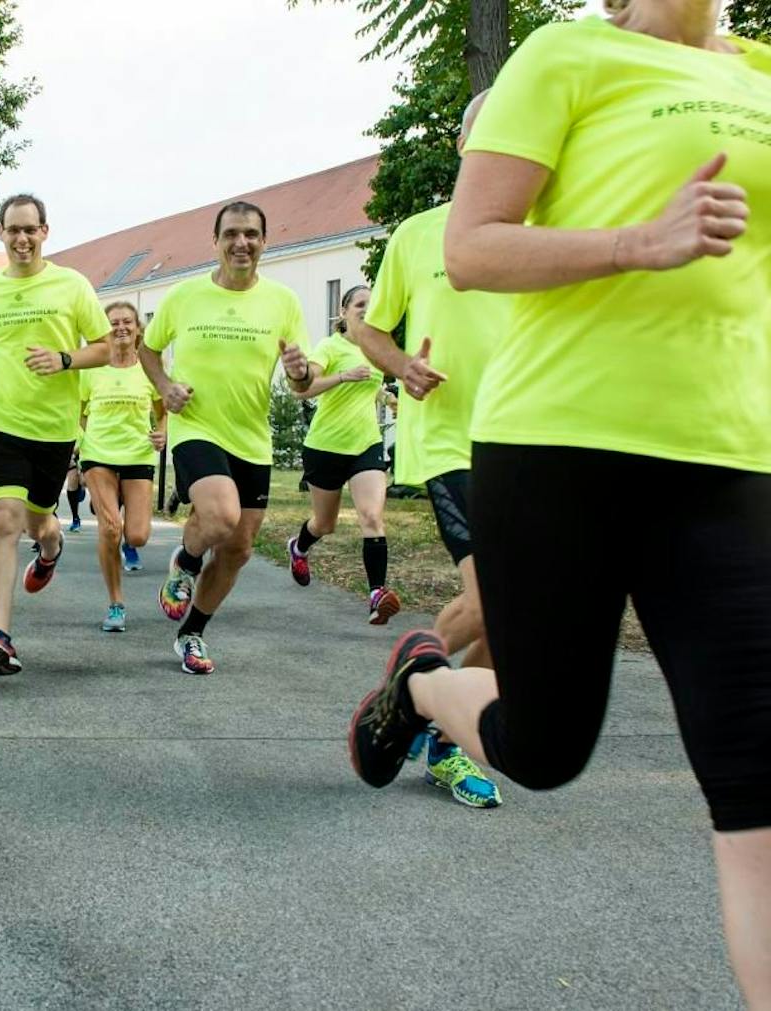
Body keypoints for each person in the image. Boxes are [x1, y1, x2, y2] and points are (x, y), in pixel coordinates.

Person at [346, 4, 771, 1003]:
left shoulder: (759, 71)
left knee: (754, 770)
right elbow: (472, 249)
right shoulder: (566, 52)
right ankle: (419, 684)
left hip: (726, 455)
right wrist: (637, 242)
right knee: (540, 747)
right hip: (557, 448)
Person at [352, 89, 506, 809]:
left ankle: (433, 720)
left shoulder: (549, 225)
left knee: (521, 617)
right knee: (493, 598)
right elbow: (371, 331)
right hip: (449, 438)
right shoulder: (420, 234)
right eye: (489, 129)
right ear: (463, 145)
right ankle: (412, 695)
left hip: (531, 438)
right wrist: (401, 365)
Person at [140, 201, 311, 675]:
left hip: (252, 437)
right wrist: (165, 388)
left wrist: (299, 373)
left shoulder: (283, 302)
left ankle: (191, 632)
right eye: (232, 234)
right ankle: (186, 561)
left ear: (263, 241)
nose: (242, 243)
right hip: (197, 426)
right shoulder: (184, 296)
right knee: (218, 516)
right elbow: (148, 349)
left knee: (238, 549)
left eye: (251, 234)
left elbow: (302, 382)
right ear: (215, 242)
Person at [0, 194, 111, 675]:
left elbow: (104, 348)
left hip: (53, 428)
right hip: (1, 423)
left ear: (45, 232)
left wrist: (65, 359)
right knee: (3, 518)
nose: (21, 239)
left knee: (37, 522)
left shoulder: (72, 284)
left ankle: (51, 548)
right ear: (0, 233)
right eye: (12, 230)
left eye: (30, 229)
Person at [287, 284, 403, 625]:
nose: (367, 309)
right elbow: (303, 390)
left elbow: (370, 385)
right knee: (325, 523)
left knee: (371, 517)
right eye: (360, 304)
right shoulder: (329, 346)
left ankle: (376, 594)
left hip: (365, 445)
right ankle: (299, 547)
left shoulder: (378, 349)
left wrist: (387, 398)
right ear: (344, 312)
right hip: (325, 447)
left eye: (373, 304)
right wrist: (343, 376)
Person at [79, 301, 164, 632]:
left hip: (138, 454)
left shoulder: (148, 368)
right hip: (98, 454)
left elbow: (164, 409)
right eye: (113, 322)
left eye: (127, 322)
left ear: (138, 328)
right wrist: (82, 440)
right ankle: (116, 603)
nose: (121, 327)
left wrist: (162, 434)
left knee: (138, 536)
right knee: (111, 528)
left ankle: (114, 511)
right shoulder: (92, 368)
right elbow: (79, 409)